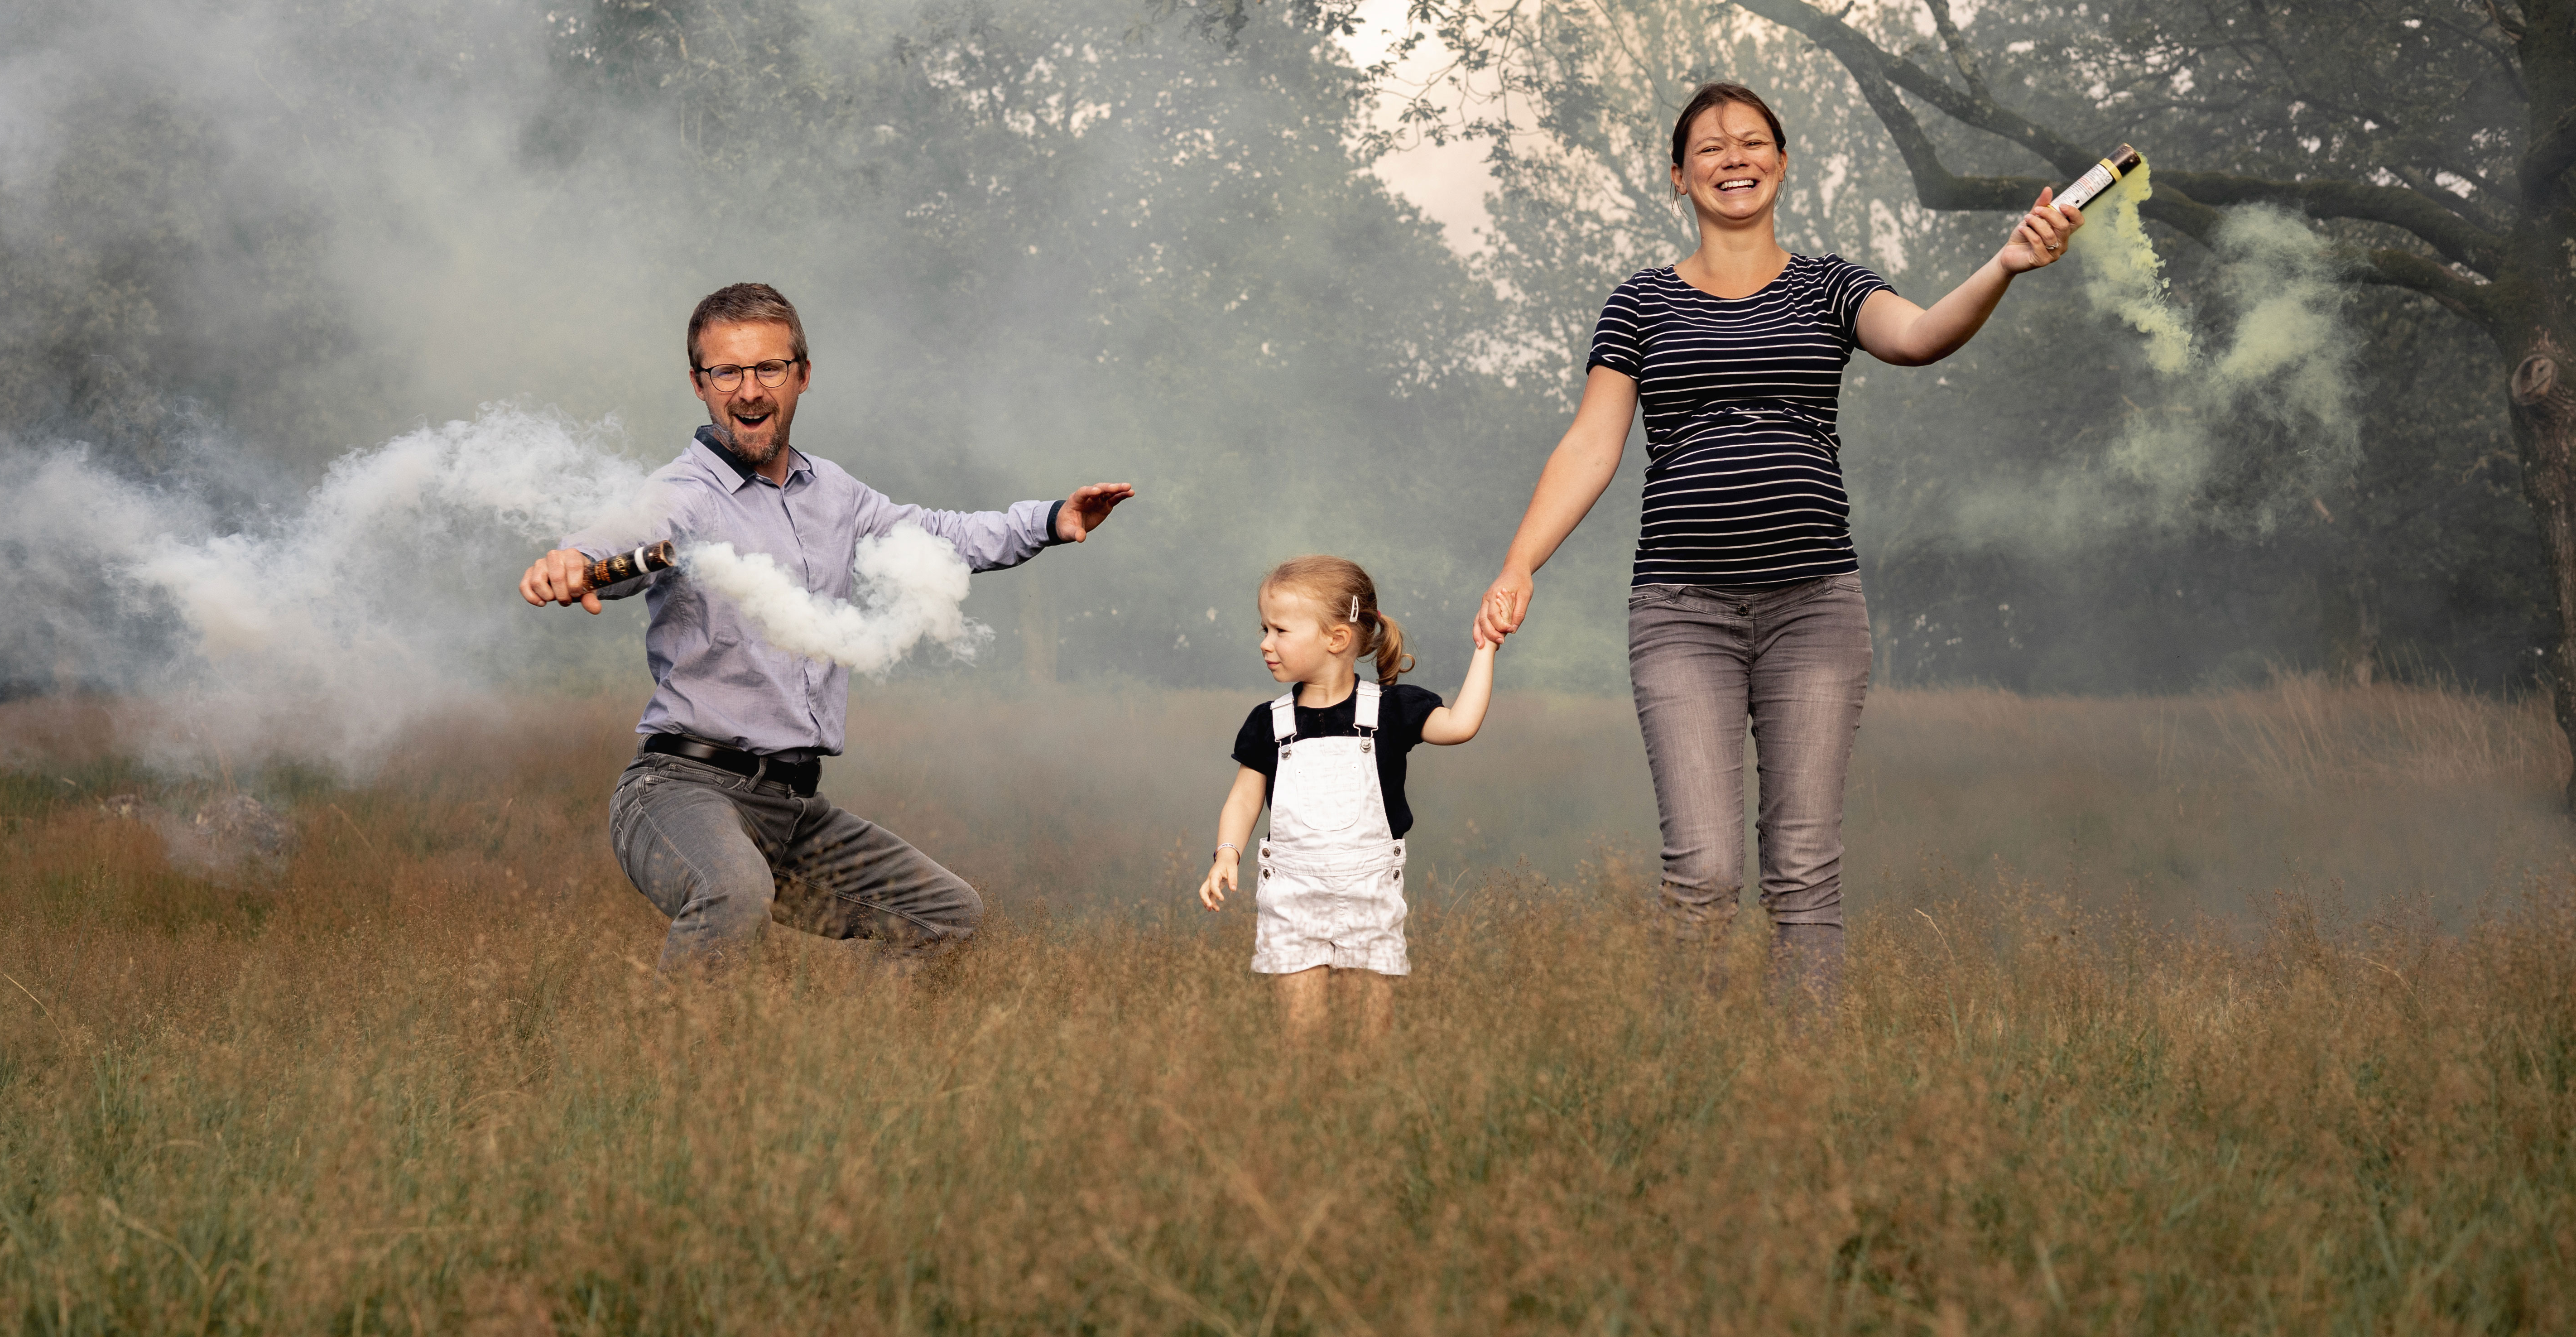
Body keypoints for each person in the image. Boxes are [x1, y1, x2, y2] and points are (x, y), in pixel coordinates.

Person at [1473, 82, 2083, 1005]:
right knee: (1704, 874)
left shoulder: (1830, 284)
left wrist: (2002, 265)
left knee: (1802, 872)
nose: (1733, 157)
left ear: (1782, 165)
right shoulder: (1638, 304)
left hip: (1815, 612)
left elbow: (1918, 337)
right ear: (1677, 178)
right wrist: (1520, 564)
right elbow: (1592, 444)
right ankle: (1695, 1096)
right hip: (1679, 614)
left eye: (1753, 142)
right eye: (1709, 148)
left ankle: (1801, 1100)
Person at [520, 281, 1132, 973]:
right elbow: (623, 538)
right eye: (727, 371)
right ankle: (670, 1077)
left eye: (769, 368)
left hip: (790, 809)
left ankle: (849, 1069)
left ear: (802, 375)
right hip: (678, 790)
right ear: (699, 384)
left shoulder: (835, 493)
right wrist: (573, 560)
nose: (749, 390)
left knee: (949, 917)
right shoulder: (680, 495)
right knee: (731, 892)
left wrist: (1051, 521)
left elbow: (936, 537)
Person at [1201, 555, 1498, 1039]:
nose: (1265, 643)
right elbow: (1243, 799)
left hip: (1369, 898)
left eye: (1280, 631)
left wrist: (1486, 650)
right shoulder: (1268, 722)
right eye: (1264, 628)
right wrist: (1227, 854)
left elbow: (1461, 725)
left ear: (1336, 639)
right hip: (1292, 899)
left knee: (1370, 1041)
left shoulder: (1394, 710)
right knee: (1302, 1040)